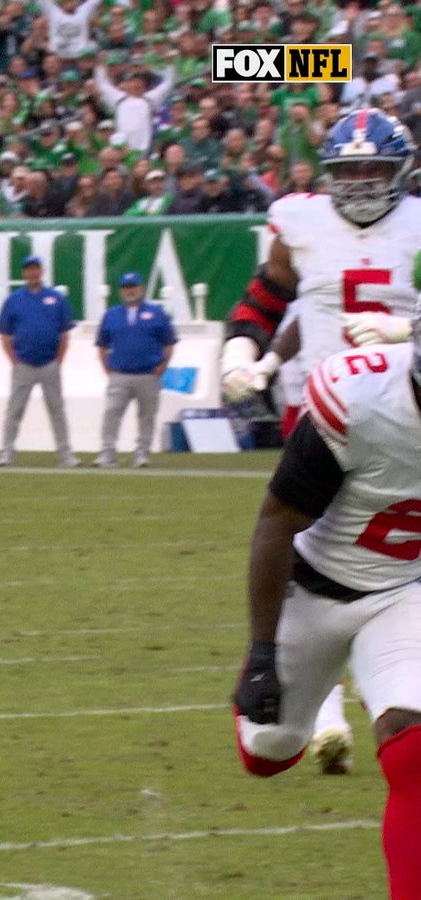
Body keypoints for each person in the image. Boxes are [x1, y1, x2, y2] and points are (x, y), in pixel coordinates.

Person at [220, 108, 421, 773]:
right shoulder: (301, 222)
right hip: (327, 415)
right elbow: (267, 301)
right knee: (314, 546)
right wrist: (243, 354)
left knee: (393, 548)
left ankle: (388, 680)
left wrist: (402, 336)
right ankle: (316, 689)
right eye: (349, 168)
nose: (362, 180)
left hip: (408, 410)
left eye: (375, 167)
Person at [231, 338, 421, 899]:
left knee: (411, 749)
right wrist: (262, 654)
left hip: (403, 591)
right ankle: (302, 683)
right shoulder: (362, 401)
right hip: (313, 588)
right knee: (268, 753)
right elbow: (276, 521)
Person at [0, 255, 78, 467]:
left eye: (36, 269)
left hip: (49, 363)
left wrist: (58, 360)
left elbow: (64, 332)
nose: (32, 273)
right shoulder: (14, 300)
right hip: (23, 363)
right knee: (14, 410)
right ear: (24, 273)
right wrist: (14, 360)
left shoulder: (55, 298)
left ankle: (65, 454)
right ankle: (6, 453)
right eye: (28, 269)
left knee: (57, 410)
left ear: (41, 271)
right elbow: (5, 334)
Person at [94, 272, 175, 468]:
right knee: (112, 412)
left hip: (148, 374)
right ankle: (108, 452)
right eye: (126, 287)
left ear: (141, 288)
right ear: (121, 290)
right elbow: (102, 344)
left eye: (133, 287)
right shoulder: (111, 314)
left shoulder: (156, 313)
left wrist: (163, 365)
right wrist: (108, 367)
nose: (130, 291)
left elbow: (169, 342)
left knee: (147, 415)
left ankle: (142, 452)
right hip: (120, 373)